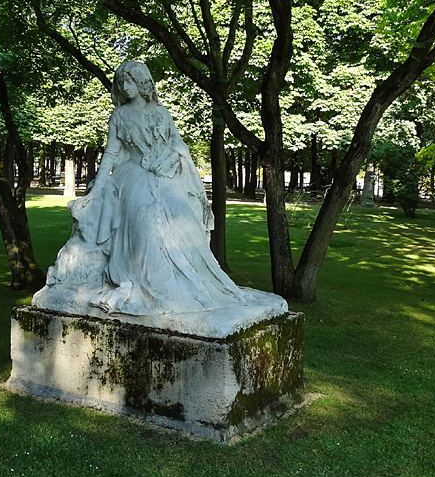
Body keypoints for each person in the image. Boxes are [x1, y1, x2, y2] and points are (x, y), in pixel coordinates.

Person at [32, 60, 287, 327]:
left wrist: (171, 157)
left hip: (163, 175)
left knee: (181, 214)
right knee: (146, 217)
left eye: (129, 81)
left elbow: (176, 143)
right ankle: (151, 284)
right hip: (130, 175)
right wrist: (97, 188)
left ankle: (186, 285)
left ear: (143, 83)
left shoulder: (161, 113)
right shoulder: (118, 116)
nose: (124, 86)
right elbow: (111, 153)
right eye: (121, 83)